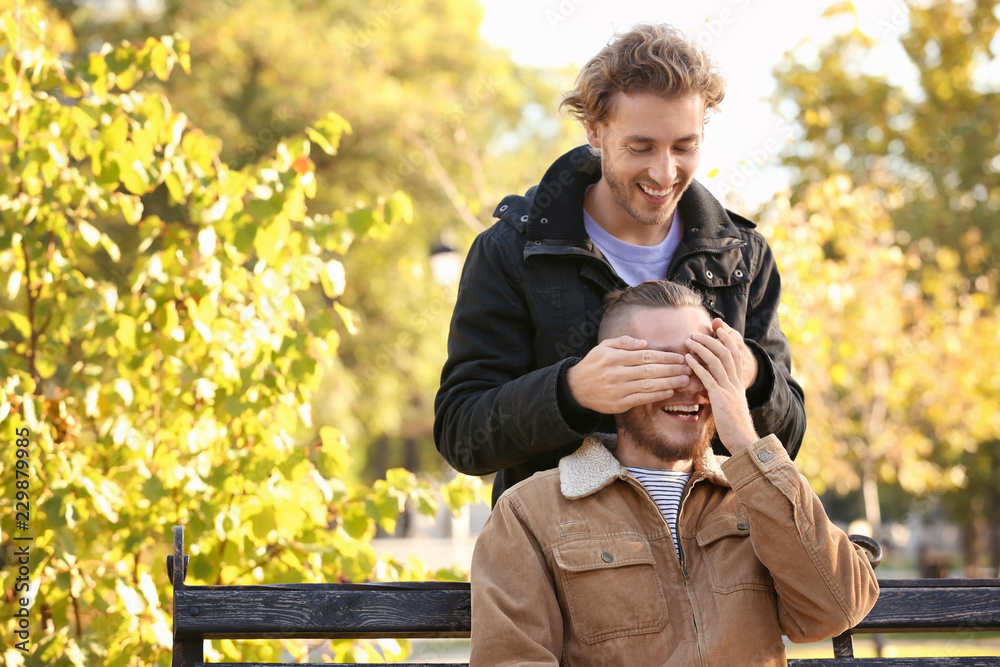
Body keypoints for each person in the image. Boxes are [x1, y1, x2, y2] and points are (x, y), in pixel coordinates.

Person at [434, 24, 806, 503]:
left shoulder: (744, 256)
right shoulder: (510, 252)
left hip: (716, 557)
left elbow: (789, 439)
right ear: (594, 129)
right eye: (641, 147)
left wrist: (751, 374)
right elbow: (462, 437)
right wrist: (570, 391)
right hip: (563, 560)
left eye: (684, 146)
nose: (664, 172)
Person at [469, 281, 879, 666]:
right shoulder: (530, 513)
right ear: (612, 379)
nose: (688, 384)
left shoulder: (756, 494)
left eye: (705, 361)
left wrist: (745, 441)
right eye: (662, 365)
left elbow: (837, 608)